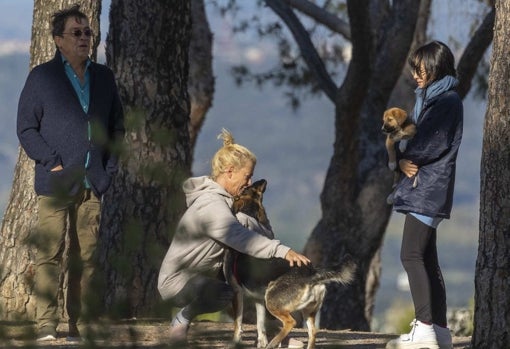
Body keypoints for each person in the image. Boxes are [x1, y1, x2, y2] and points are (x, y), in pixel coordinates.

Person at [16, 5, 124, 342]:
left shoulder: (104, 77)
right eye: (76, 33)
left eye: (88, 33)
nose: (84, 38)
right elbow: (26, 128)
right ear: (58, 40)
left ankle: (81, 325)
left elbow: (117, 127)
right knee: (49, 255)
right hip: (56, 183)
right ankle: (46, 326)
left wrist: (108, 168)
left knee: (87, 259)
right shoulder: (42, 77)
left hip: (94, 182)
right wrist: (53, 162)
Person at [158, 129, 310, 347]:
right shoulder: (211, 205)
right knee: (224, 293)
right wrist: (282, 250)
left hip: (206, 275)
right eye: (247, 176)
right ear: (229, 172)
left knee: (250, 278)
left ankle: (277, 335)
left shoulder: (228, 208)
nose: (249, 183)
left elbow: (252, 228)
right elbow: (240, 236)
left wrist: (270, 241)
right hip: (177, 283)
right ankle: (181, 320)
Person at [386, 41, 463, 349]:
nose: (415, 75)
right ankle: (440, 330)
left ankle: (425, 330)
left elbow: (429, 143)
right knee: (427, 259)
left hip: (427, 187)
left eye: (419, 69)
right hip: (428, 186)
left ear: (434, 67)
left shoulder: (446, 101)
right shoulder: (436, 99)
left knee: (411, 254)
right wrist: (401, 159)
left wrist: (402, 154)